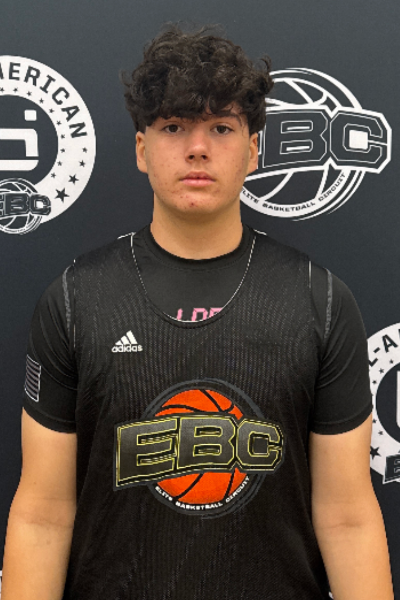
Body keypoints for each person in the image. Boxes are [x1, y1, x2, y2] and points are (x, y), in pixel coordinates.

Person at [2, 23, 394, 600]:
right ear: (141, 149)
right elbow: (43, 513)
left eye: (221, 127)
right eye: (173, 126)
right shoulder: (74, 299)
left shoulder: (321, 299)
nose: (197, 148)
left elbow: (348, 517)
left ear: (253, 151)